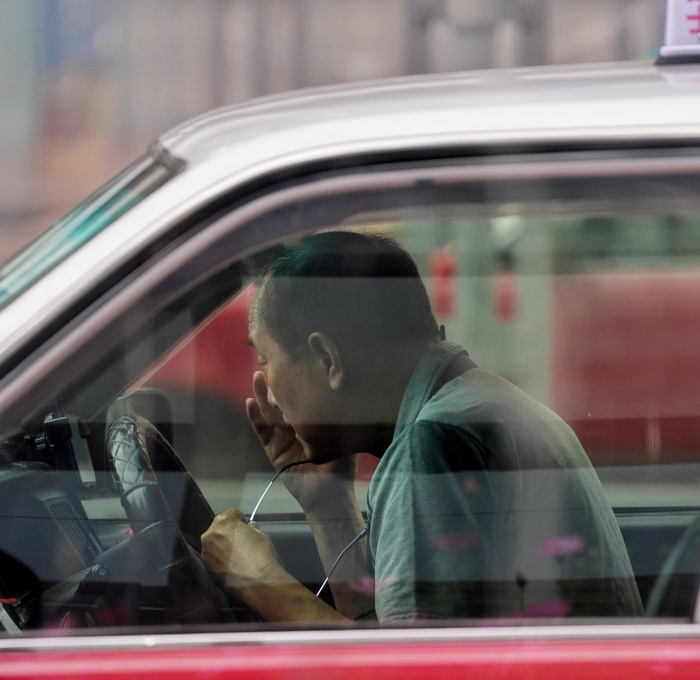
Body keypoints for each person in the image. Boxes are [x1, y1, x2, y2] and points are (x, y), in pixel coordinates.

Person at [200, 230, 642, 623]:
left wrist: (258, 580)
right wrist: (328, 505)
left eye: (265, 361)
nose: (269, 395)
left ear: (328, 360)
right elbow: (385, 633)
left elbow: (406, 670)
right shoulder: (476, 406)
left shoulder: (432, 446)